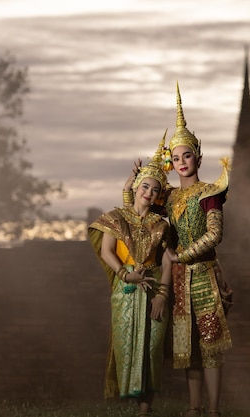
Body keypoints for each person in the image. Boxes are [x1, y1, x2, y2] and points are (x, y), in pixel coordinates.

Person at [126, 83, 232, 417]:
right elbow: (136, 212)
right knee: (188, 348)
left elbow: (215, 234)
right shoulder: (168, 198)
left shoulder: (210, 193)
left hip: (204, 275)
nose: (181, 161)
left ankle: (213, 411)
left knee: (210, 343)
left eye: (187, 155)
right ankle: (194, 408)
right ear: (170, 164)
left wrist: (181, 255)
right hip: (179, 280)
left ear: (198, 157)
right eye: (175, 158)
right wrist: (133, 184)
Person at [88, 134, 173, 417]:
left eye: (155, 189)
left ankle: (145, 410)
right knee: (127, 346)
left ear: (159, 195)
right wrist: (125, 276)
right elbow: (107, 252)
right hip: (126, 290)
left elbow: (169, 259)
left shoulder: (161, 225)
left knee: (152, 349)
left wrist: (162, 294)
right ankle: (130, 400)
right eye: (144, 186)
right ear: (136, 187)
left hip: (153, 287)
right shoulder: (117, 217)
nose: (148, 192)